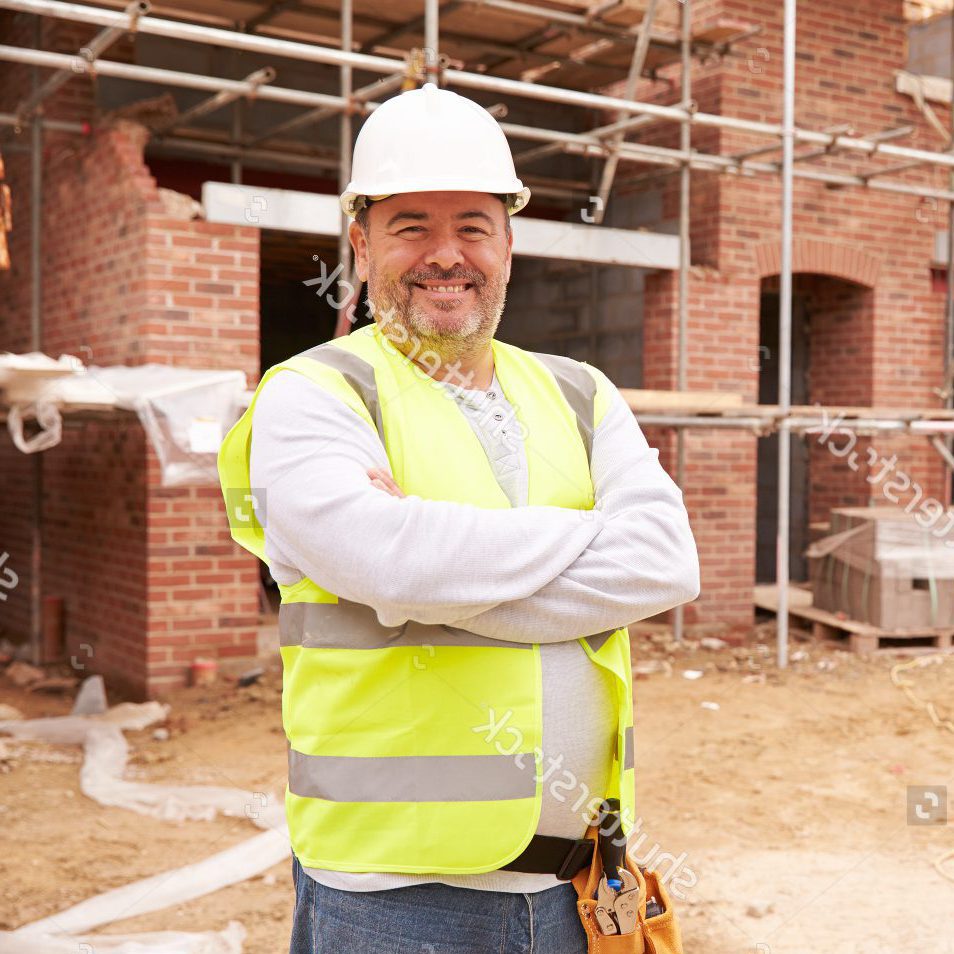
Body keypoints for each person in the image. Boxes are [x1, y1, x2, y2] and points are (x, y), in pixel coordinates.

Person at [217, 81, 699, 954]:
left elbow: (666, 563)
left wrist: (429, 571)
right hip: (395, 902)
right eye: (411, 227)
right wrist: (590, 543)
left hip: (580, 887)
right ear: (361, 245)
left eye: (473, 225)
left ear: (509, 241)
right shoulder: (315, 394)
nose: (448, 254)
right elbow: (394, 563)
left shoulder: (580, 394)